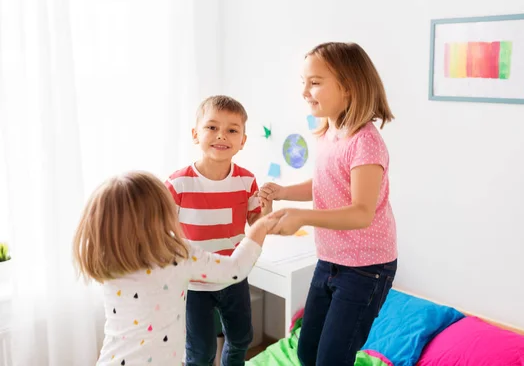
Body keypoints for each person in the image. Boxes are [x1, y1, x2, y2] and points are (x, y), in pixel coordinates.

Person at [260, 42, 397, 366]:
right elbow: (324, 184)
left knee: (331, 359)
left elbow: (362, 212)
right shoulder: (327, 133)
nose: (305, 91)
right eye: (303, 82)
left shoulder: (365, 143)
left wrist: (302, 217)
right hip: (331, 260)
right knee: (307, 350)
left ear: (348, 87)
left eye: (315, 82)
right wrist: (283, 192)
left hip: (365, 269)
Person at [72, 171, 280, 365]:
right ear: (160, 215)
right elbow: (236, 269)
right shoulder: (176, 255)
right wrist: (261, 227)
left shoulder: (107, 258)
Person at [165, 95, 272, 366]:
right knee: (200, 352)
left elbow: (257, 222)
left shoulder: (247, 179)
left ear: (242, 141)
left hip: (234, 277)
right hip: (194, 283)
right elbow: (162, 231)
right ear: (195, 134)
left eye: (232, 130)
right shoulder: (177, 184)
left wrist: (267, 210)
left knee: (241, 339)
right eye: (212, 127)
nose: (221, 135)